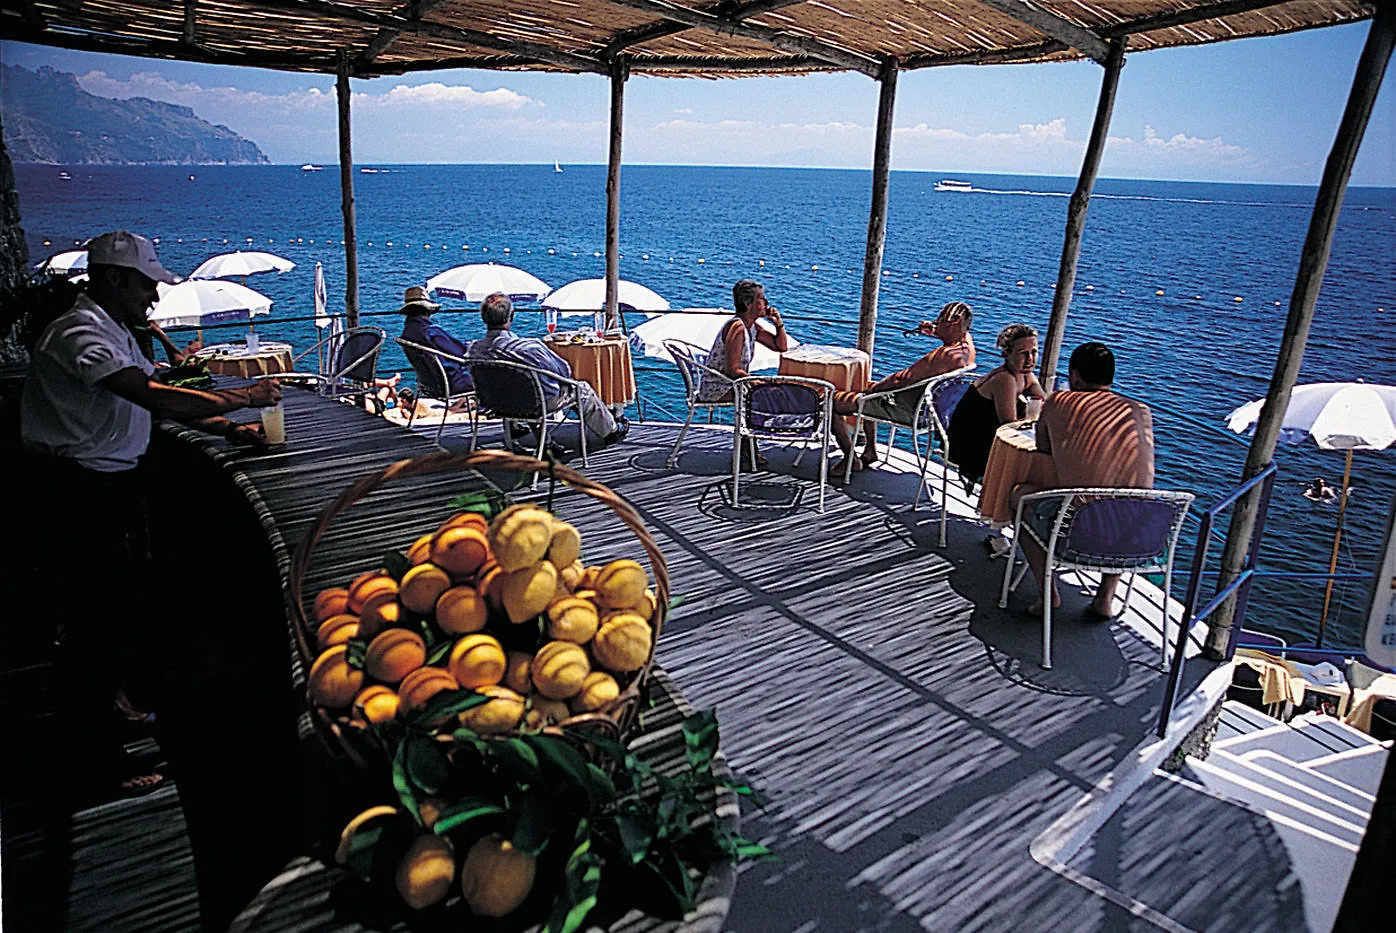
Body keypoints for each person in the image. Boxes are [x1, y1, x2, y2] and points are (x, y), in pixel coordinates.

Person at [20, 230, 283, 801]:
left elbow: (153, 396)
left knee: (117, 613)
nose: (154, 298)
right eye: (145, 284)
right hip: (77, 493)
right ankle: (93, 766)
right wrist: (244, 398)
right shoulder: (78, 333)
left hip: (107, 487)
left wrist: (228, 430)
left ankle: (115, 712)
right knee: (92, 625)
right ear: (113, 278)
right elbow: (152, 397)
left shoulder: (113, 330)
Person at [1010, 341, 1156, 619]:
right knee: (1122, 507)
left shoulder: (1060, 401)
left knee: (1019, 497)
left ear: (1074, 376)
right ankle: (1105, 598)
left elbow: (1043, 448)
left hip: (1080, 532)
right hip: (1139, 536)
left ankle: (1048, 594)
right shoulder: (1140, 410)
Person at [830, 300, 975, 473]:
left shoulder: (943, 355)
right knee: (865, 385)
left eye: (940, 319)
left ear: (955, 321)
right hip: (927, 412)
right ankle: (870, 451)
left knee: (833, 402)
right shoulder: (967, 347)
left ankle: (850, 459)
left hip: (904, 409)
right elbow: (951, 335)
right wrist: (935, 331)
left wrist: (873, 391)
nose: (936, 322)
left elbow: (900, 380)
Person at [467, 291, 628, 446]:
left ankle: (517, 428)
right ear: (512, 316)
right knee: (582, 389)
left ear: (483, 318)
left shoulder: (473, 350)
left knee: (516, 385)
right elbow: (564, 371)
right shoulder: (529, 348)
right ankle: (611, 431)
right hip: (535, 404)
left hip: (495, 403)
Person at [696, 279, 792, 468]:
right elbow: (732, 370)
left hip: (732, 383)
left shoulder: (752, 327)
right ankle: (749, 447)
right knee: (760, 395)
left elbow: (780, 346)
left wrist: (778, 323)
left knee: (761, 393)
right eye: (761, 298)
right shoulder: (738, 328)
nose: (766, 302)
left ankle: (749, 445)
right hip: (718, 386)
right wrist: (755, 381)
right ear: (748, 304)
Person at [946, 322, 1046, 491]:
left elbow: (1045, 401)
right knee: (1035, 467)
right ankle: (1005, 507)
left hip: (990, 438)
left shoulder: (1024, 374)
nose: (1030, 359)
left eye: (1034, 352)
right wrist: (1034, 419)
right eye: (1023, 353)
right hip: (969, 445)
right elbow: (1008, 425)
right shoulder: (1004, 379)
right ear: (1007, 353)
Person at [397, 284, 474, 403]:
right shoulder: (431, 332)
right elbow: (461, 352)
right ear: (428, 309)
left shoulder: (408, 332)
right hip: (453, 383)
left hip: (431, 386)